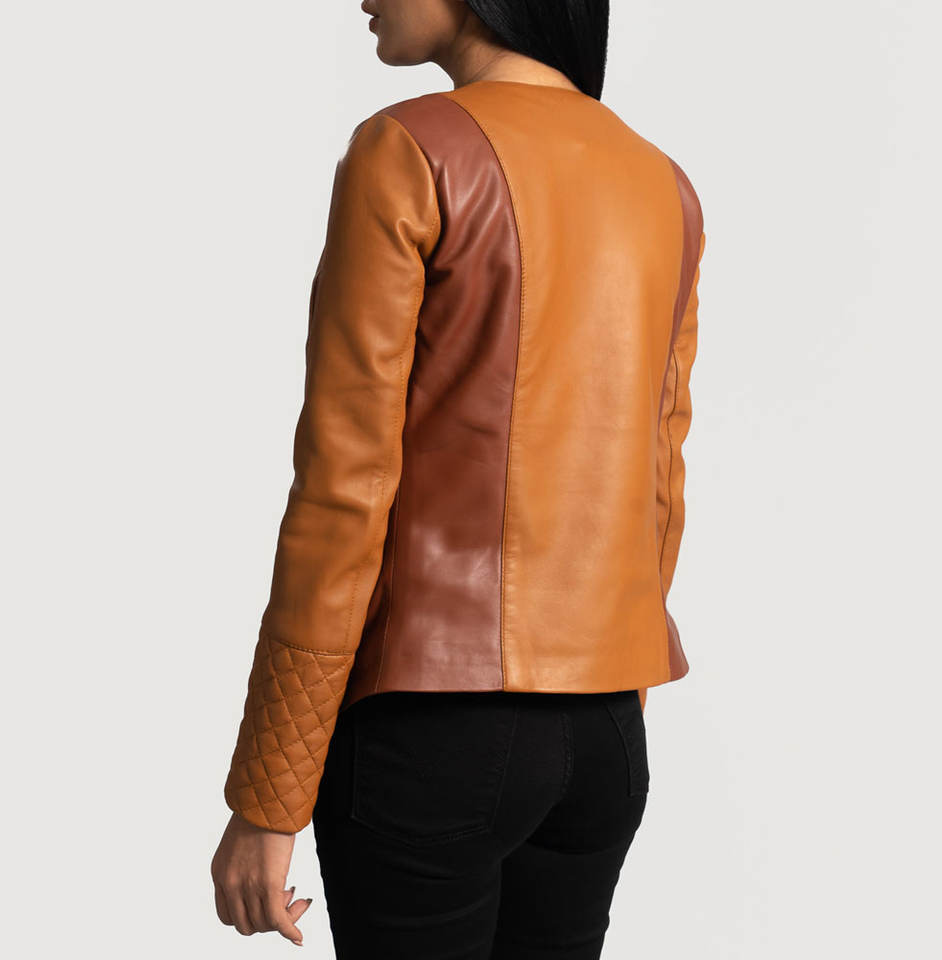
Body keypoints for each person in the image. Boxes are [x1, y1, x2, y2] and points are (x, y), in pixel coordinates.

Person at [210, 1, 705, 956]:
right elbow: (659, 480)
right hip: (605, 739)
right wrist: (604, 709)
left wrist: (269, 795)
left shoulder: (409, 150)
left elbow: (345, 488)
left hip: (431, 732)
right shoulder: (664, 182)